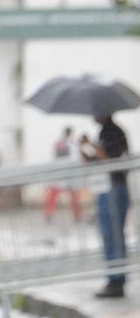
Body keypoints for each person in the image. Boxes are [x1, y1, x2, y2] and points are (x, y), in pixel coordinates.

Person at [82, 115, 131, 299]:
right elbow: (94, 160)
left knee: (114, 235)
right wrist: (83, 148)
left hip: (115, 189)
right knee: (108, 234)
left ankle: (117, 280)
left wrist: (93, 145)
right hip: (106, 189)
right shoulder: (104, 132)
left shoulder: (113, 132)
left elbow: (108, 159)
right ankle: (113, 278)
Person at [44, 126, 82, 222]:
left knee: (74, 196)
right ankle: (48, 214)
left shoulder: (72, 143)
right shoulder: (61, 143)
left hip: (70, 174)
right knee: (53, 194)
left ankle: (77, 216)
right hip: (61, 173)